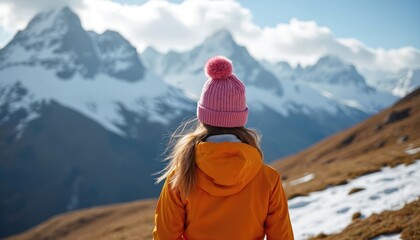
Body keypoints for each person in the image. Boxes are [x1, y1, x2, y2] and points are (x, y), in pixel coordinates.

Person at [153, 56, 294, 240]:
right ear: (241, 118)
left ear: (203, 117)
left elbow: (165, 237)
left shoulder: (180, 177)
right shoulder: (268, 178)